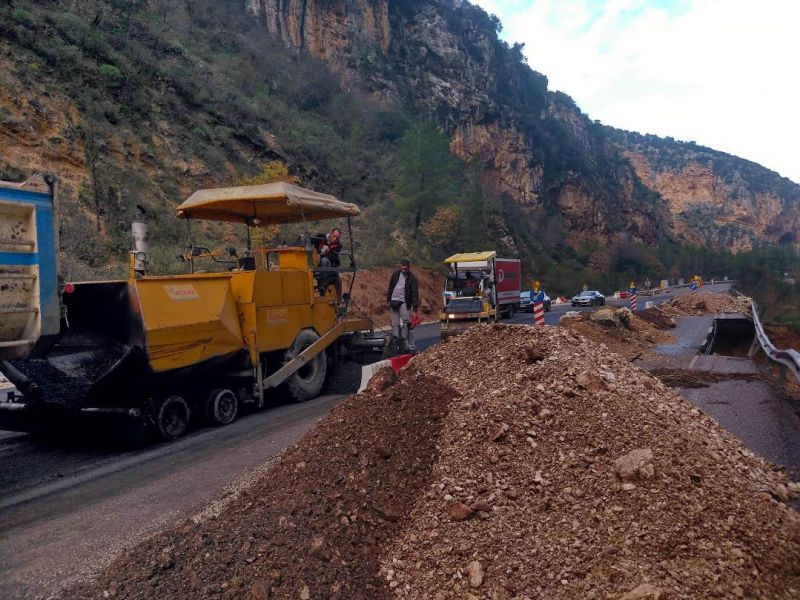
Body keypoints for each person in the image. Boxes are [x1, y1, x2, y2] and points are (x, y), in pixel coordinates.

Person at [386, 258, 419, 354]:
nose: (404, 270)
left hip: (404, 302)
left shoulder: (412, 278)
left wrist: (415, 309)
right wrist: (388, 298)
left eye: (405, 269)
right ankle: (398, 346)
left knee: (407, 325)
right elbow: (391, 286)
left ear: (409, 268)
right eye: (402, 269)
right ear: (400, 267)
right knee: (395, 325)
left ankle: (411, 346)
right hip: (394, 301)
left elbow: (415, 293)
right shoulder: (396, 274)